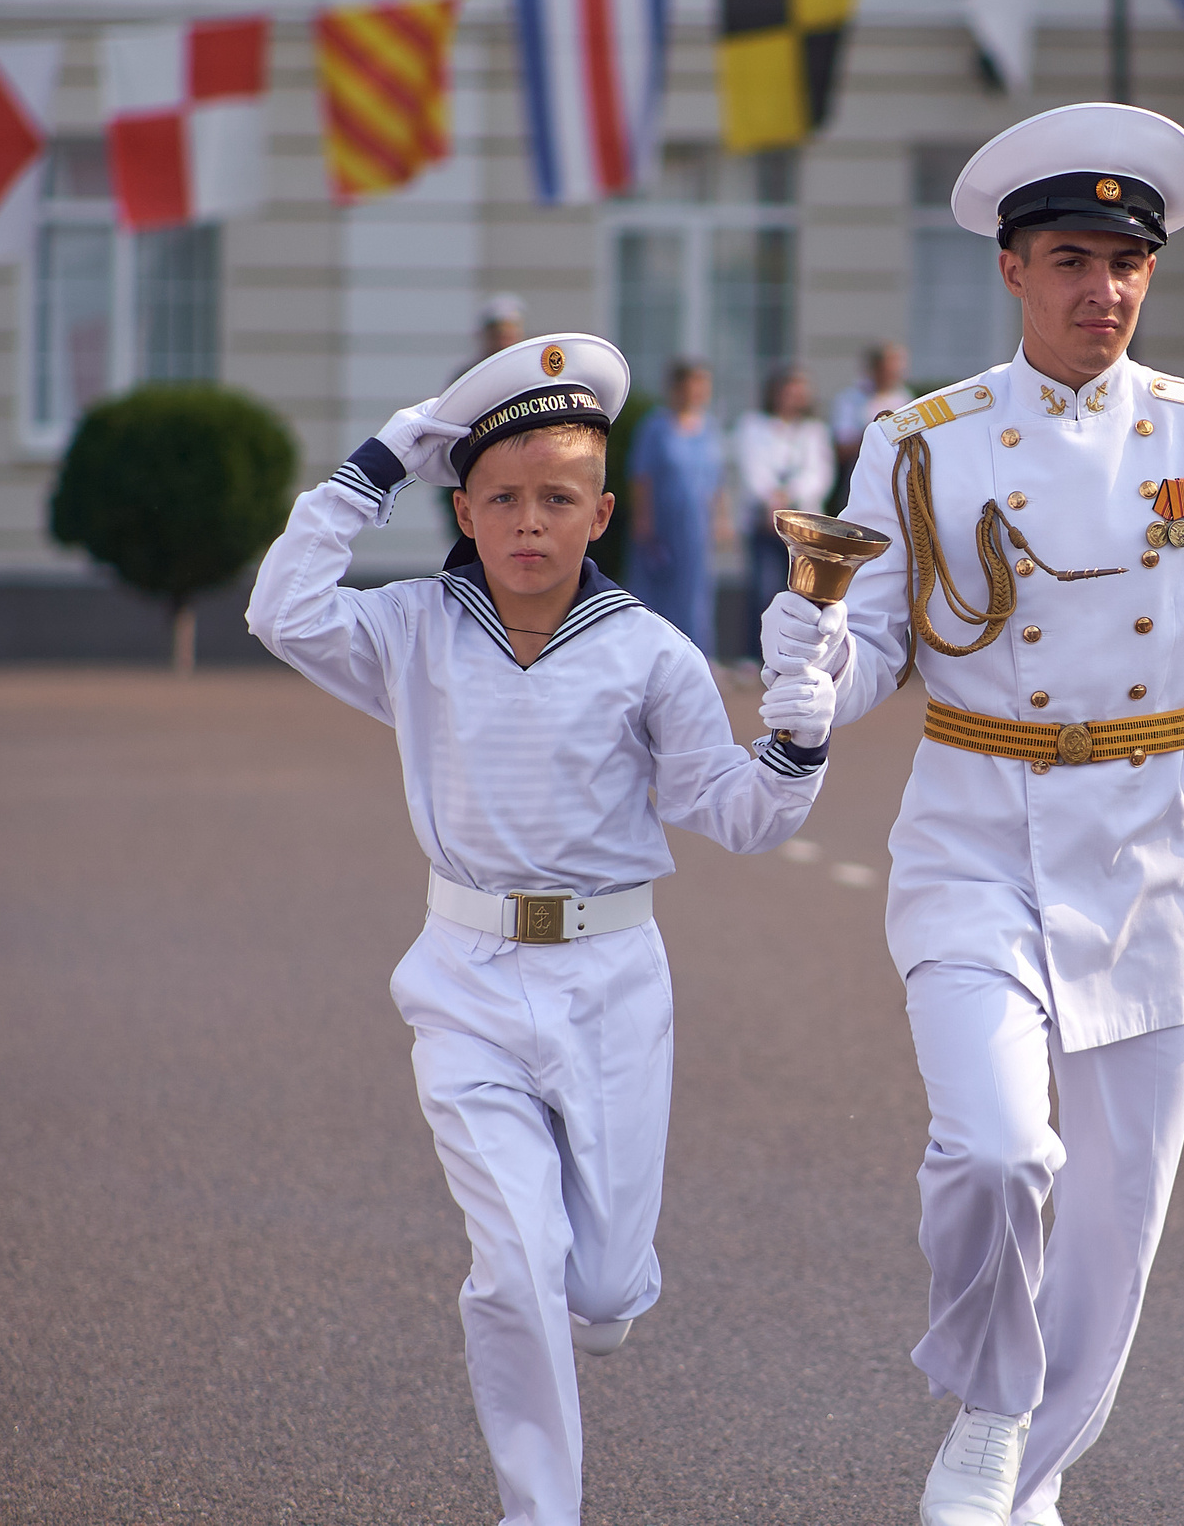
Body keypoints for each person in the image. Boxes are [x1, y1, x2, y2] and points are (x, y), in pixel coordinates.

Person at [759, 103, 1184, 1526]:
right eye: (1072, 258)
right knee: (997, 1149)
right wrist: (817, 669)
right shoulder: (922, 440)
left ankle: (1034, 1468)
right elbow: (877, 635)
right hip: (973, 828)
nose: (1104, 291)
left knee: (1119, 1219)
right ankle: (996, 1402)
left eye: (1127, 263)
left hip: (1149, 846)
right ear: (1011, 270)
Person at [245, 333, 837, 1526]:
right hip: (462, 980)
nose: (527, 523)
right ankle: (540, 1511)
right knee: (515, 1270)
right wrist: (369, 469)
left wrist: (798, 738)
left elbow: (739, 815)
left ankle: (613, 1286)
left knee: (603, 1281)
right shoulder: (412, 628)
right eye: (501, 498)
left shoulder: (649, 654)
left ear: (601, 513)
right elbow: (280, 609)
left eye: (556, 499)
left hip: (612, 981)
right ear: (460, 506)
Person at [624, 358, 724, 656]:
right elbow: (641, 478)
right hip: (662, 524)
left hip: (696, 528)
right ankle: (647, 656)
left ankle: (694, 659)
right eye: (692, 386)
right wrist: (643, 521)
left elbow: (717, 480)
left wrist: (721, 518)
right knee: (654, 593)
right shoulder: (655, 427)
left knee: (695, 596)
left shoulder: (709, 429)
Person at [733, 362, 832, 609]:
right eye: (788, 392)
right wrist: (772, 500)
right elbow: (752, 468)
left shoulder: (814, 430)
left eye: (798, 393)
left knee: (802, 593)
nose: (793, 399)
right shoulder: (753, 425)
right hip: (764, 524)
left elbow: (820, 474)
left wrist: (789, 495)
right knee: (763, 591)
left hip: (805, 529)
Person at [826, 340, 911, 507]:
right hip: (858, 477)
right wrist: (880, 436)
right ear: (875, 369)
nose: (895, 374)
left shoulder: (905, 399)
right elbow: (843, 447)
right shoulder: (850, 400)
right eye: (889, 369)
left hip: (896, 480)